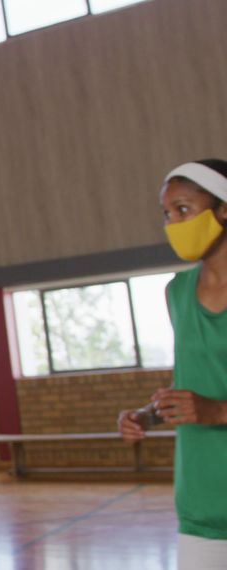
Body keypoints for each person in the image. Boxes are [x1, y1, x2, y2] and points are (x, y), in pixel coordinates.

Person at [119, 159, 227, 569]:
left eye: (184, 210)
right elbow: (192, 384)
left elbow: (209, 402)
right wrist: (146, 416)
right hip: (200, 506)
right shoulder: (177, 293)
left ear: (224, 209)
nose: (173, 223)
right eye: (166, 214)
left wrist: (217, 410)